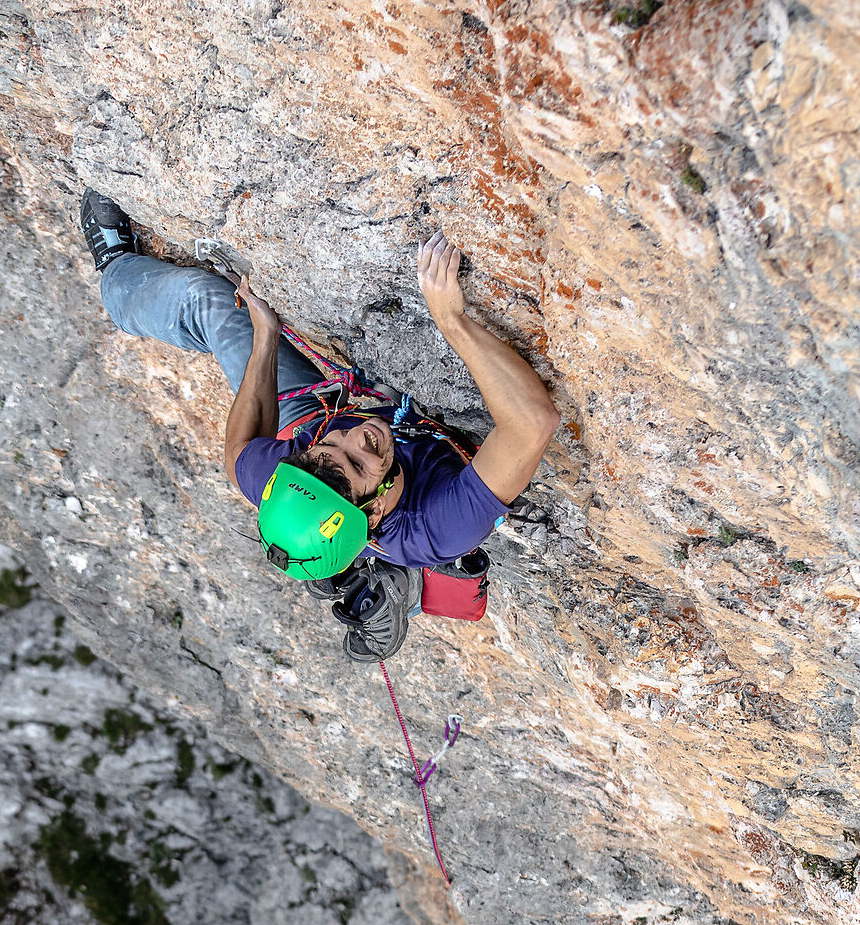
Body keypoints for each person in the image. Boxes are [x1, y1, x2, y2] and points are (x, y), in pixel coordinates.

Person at [79, 189, 561, 659]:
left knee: (209, 303)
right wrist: (452, 320)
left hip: (319, 408)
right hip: (416, 449)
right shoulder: (436, 526)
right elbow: (531, 423)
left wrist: (265, 339)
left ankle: (118, 278)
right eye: (358, 465)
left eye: (332, 450)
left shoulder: (292, 476)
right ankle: (395, 578)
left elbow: (239, 454)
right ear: (373, 516)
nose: (357, 439)